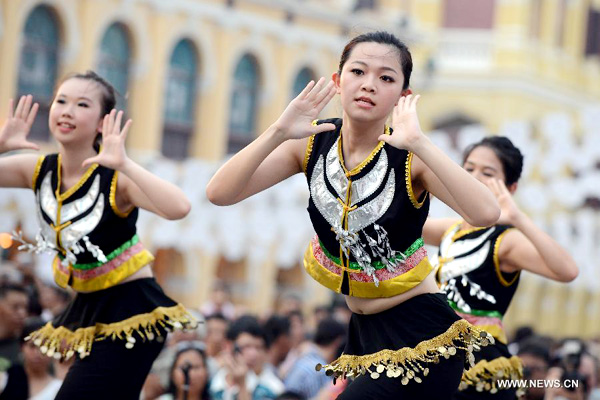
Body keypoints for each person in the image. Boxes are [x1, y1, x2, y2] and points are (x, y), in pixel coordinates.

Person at [206, 31, 500, 399]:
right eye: (358, 71)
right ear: (337, 80)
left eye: (386, 78)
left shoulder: (410, 157)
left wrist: (421, 142)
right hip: (365, 335)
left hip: (422, 335)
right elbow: (220, 193)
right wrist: (278, 130)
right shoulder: (309, 143)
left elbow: (487, 213)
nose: (369, 85)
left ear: (403, 96)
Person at [0, 71, 195, 399]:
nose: (66, 111)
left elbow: (179, 207)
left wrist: (127, 164)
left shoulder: (116, 178)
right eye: (61, 101)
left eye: (81, 104)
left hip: (131, 313)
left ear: (104, 122)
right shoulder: (37, 169)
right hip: (89, 308)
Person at [423, 136, 579, 398]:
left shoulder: (505, 241)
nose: (474, 177)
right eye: (469, 168)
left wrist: (517, 217)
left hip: (479, 362)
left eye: (488, 173)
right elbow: (400, 224)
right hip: (437, 351)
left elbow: (568, 270)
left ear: (511, 187)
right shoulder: (452, 229)